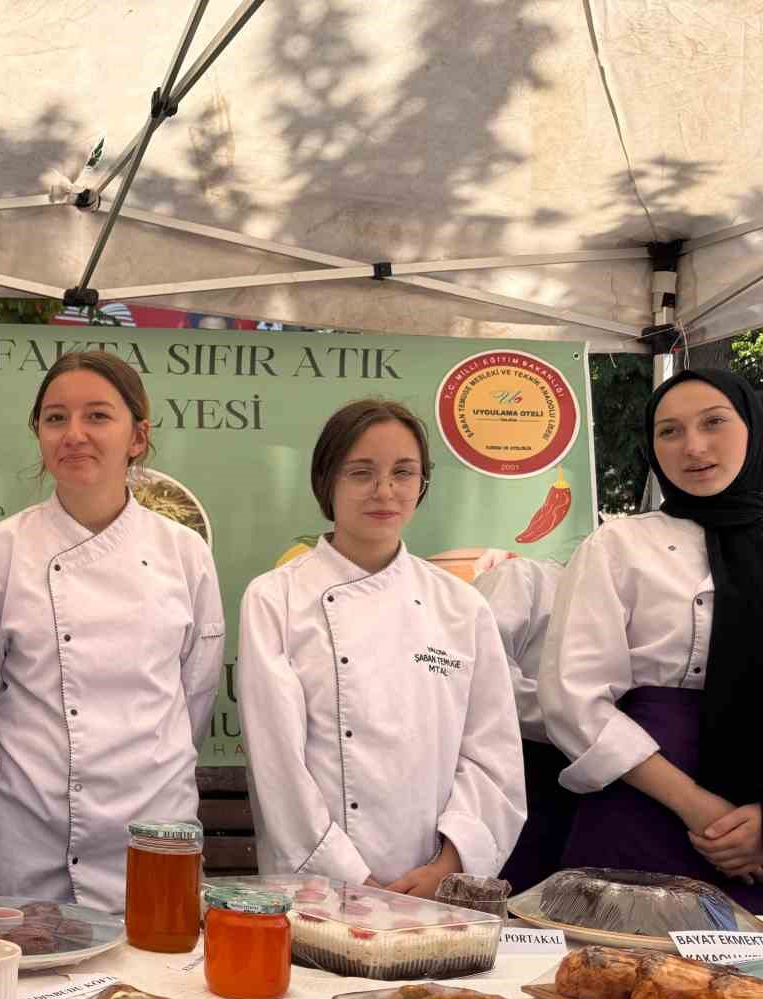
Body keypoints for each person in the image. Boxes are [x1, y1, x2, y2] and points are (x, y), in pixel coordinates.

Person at [0, 351, 224, 913]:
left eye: (98, 416)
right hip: (23, 834)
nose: (74, 434)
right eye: (55, 418)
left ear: (138, 436)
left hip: (154, 833)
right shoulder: (0, 550)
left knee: (154, 995)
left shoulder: (184, 553)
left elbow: (193, 696)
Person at [239, 399, 525, 896]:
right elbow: (278, 765)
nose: (384, 491)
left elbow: (492, 759)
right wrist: (353, 878)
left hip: (432, 889)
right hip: (316, 888)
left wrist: (445, 867)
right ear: (327, 482)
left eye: (403, 473)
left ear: (422, 484)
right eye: (361, 472)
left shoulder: (462, 607)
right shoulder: (275, 598)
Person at [541, 367, 763, 905]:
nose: (694, 447)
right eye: (669, 431)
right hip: (643, 799)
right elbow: (573, 700)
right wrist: (697, 806)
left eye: (714, 423)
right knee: (615, 976)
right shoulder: (618, 545)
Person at [474, 556, 575, 892]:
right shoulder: (527, 577)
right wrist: (587, 719)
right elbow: (484, 672)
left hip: (599, 776)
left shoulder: (639, 608)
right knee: (508, 896)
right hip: (519, 758)